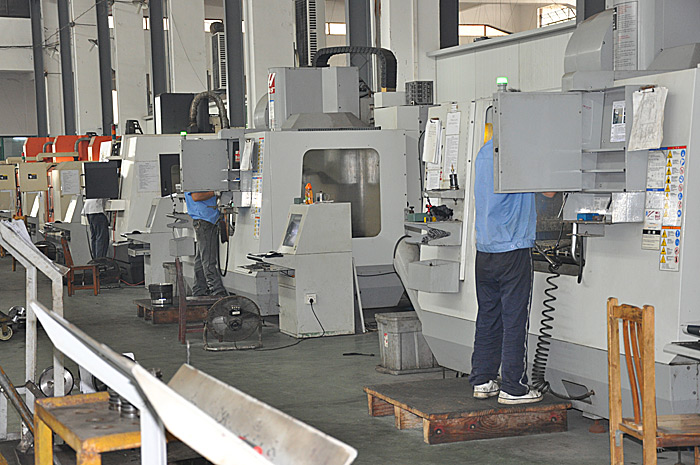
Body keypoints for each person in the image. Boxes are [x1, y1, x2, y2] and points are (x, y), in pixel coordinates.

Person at [469, 137, 554, 405]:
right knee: (514, 319)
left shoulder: (484, 151)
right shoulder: (520, 150)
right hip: (513, 249)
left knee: (488, 316)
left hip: (485, 250)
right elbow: (550, 192)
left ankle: (482, 379)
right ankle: (514, 388)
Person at [185, 191, 227, 296]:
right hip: (205, 220)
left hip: (207, 219)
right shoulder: (195, 181)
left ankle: (199, 290)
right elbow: (196, 196)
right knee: (208, 259)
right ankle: (217, 290)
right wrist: (215, 192)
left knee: (200, 259)